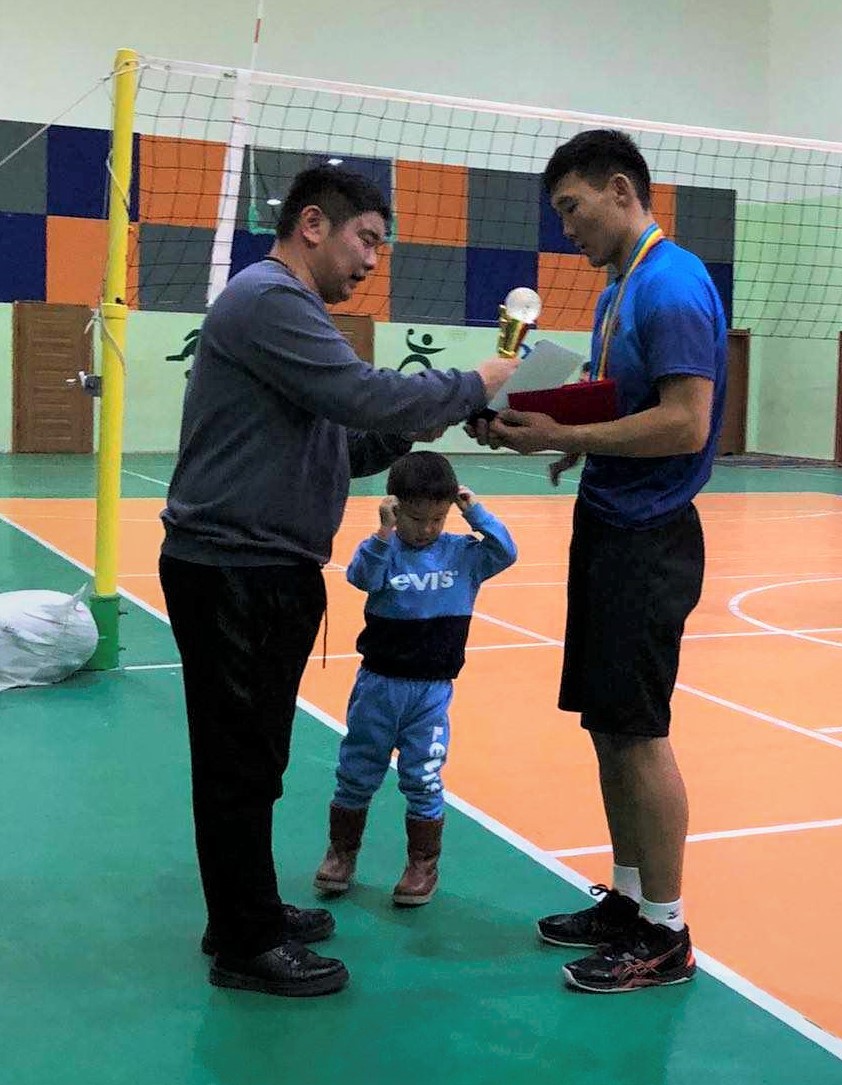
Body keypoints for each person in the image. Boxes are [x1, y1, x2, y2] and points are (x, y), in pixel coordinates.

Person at [159, 164, 518, 997]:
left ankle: (244, 911)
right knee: (240, 760)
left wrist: (426, 427)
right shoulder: (269, 298)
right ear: (313, 224)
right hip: (234, 569)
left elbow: (343, 445)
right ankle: (245, 942)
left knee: (254, 755)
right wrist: (476, 383)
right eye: (367, 240)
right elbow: (361, 393)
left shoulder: (288, 310)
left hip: (258, 568)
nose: (371, 261)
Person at [477, 129, 726, 993]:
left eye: (572, 208)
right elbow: (627, 403)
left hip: (650, 535)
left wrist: (571, 433)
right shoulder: (619, 286)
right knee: (608, 724)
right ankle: (627, 899)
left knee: (640, 731)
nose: (567, 228)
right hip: (609, 518)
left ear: (621, 190)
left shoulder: (672, 284)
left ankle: (667, 930)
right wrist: (563, 434)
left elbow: (687, 422)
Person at [313, 452, 517, 904]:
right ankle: (341, 854)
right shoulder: (382, 551)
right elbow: (361, 578)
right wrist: (384, 534)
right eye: (415, 518)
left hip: (430, 693)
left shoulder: (464, 554)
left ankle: (422, 864)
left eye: (437, 519)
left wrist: (475, 513)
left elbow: (506, 551)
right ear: (394, 508)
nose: (426, 529)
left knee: (423, 776)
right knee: (357, 771)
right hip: (377, 686)